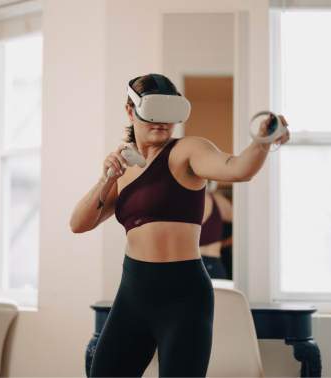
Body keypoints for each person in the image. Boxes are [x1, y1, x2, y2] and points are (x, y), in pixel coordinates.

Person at [70, 74, 289, 378]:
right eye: (153, 111)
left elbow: (239, 169)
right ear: (131, 110)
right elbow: (78, 224)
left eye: (171, 113)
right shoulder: (123, 168)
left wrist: (263, 141)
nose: (162, 122)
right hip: (132, 294)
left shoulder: (187, 151)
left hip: (184, 299)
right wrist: (107, 178)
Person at [200, 181, 233, 279]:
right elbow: (242, 225)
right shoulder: (219, 201)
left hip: (208, 263)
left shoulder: (219, 201)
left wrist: (226, 243)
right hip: (211, 264)